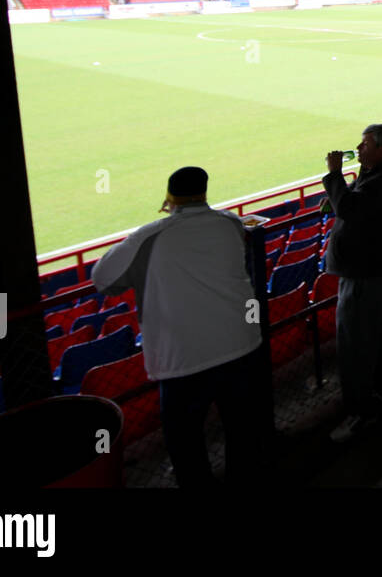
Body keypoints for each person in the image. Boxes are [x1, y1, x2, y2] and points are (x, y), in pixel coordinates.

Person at [91, 167, 268, 488]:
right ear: (204, 192)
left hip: (184, 362)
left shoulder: (149, 237)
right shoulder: (230, 223)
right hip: (243, 345)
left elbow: (102, 279)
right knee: (242, 433)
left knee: (186, 445)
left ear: (169, 199)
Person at [323, 125, 382, 443]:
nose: (359, 147)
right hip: (376, 268)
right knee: (378, 335)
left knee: (354, 344)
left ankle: (362, 414)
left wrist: (334, 175)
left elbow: (351, 209)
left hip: (364, 273)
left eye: (366, 143)